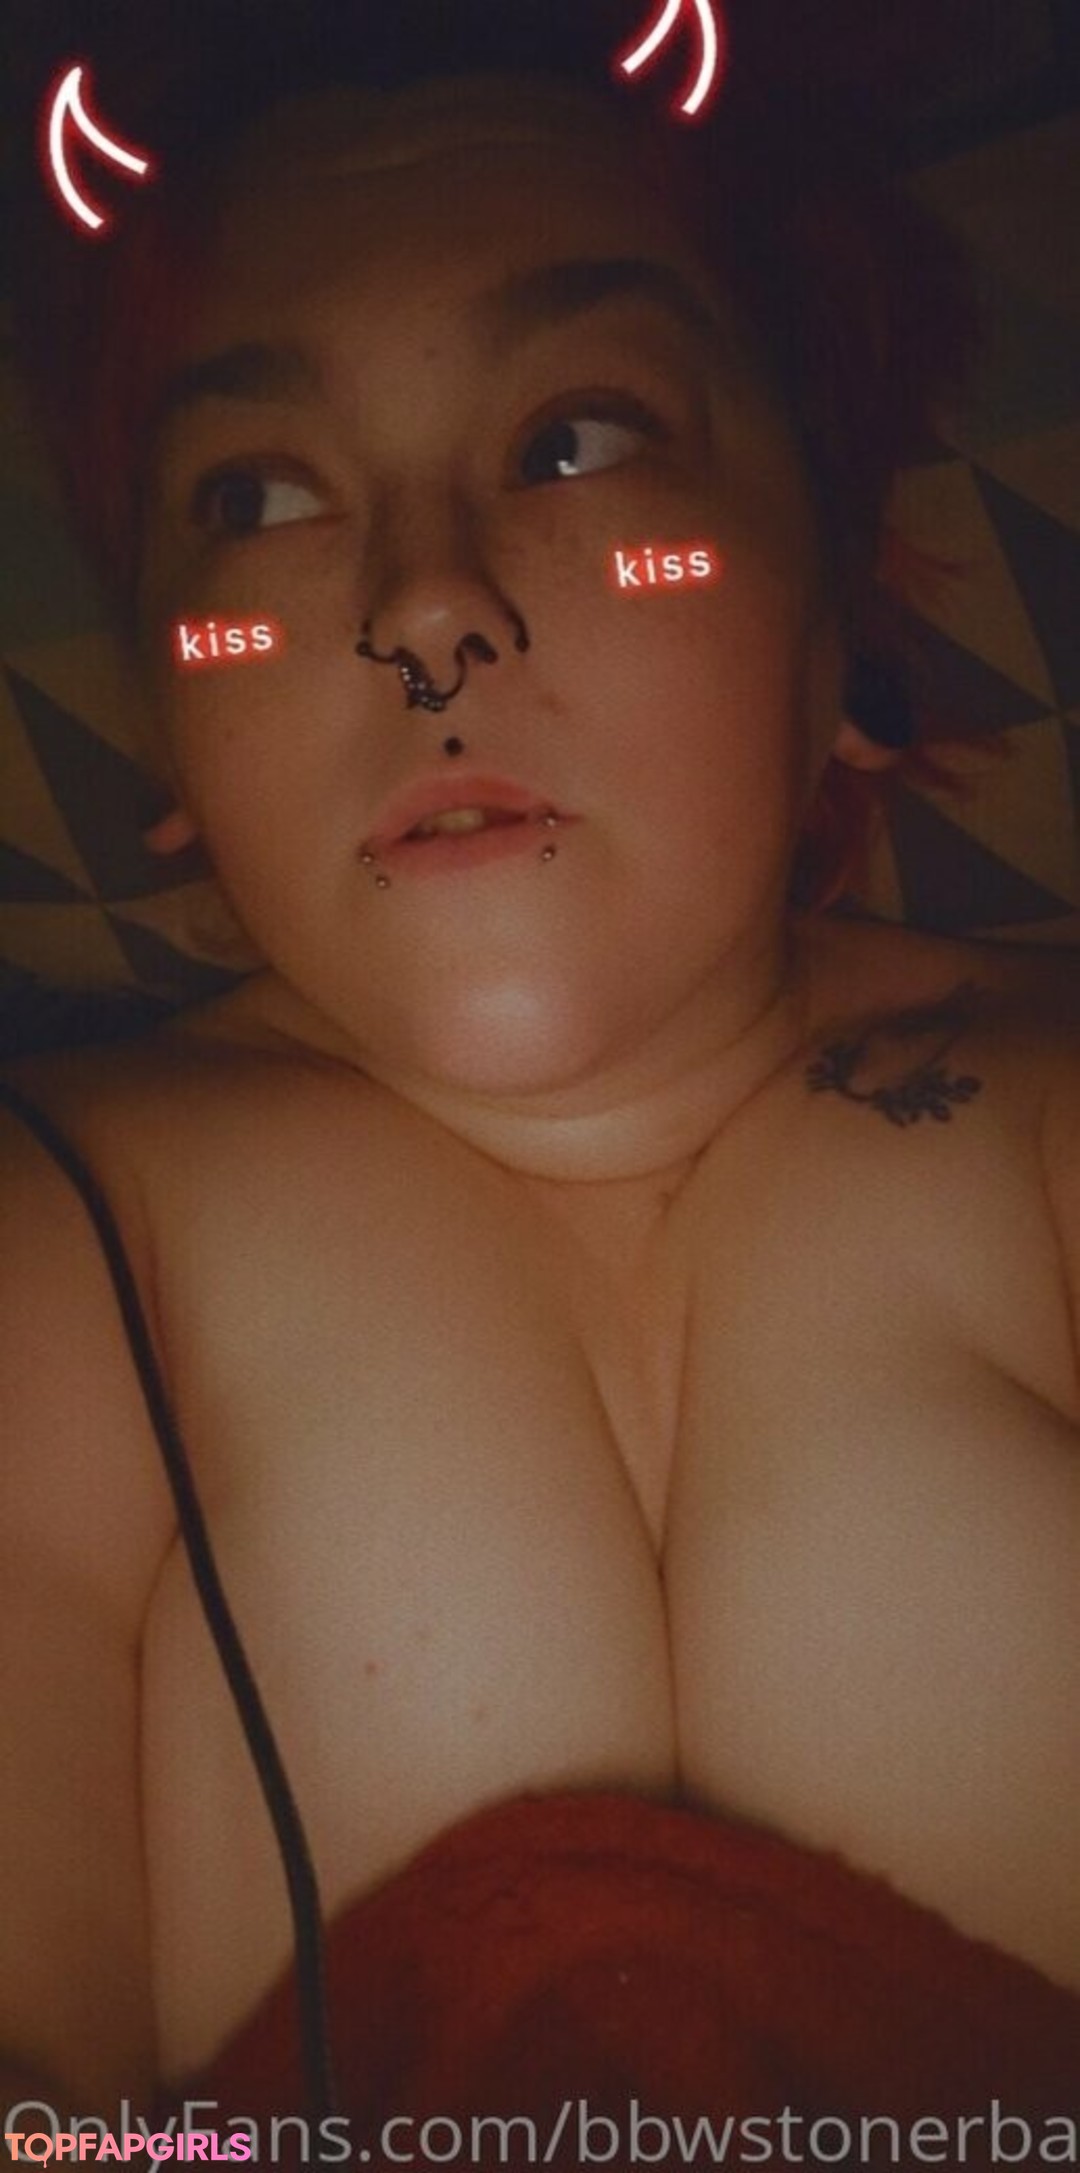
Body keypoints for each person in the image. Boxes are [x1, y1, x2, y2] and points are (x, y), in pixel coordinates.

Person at [2, 2, 1078, 2162]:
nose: (423, 609)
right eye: (255, 499)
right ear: (178, 747)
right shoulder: (62, 1232)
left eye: (583, 443)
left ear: (835, 632)